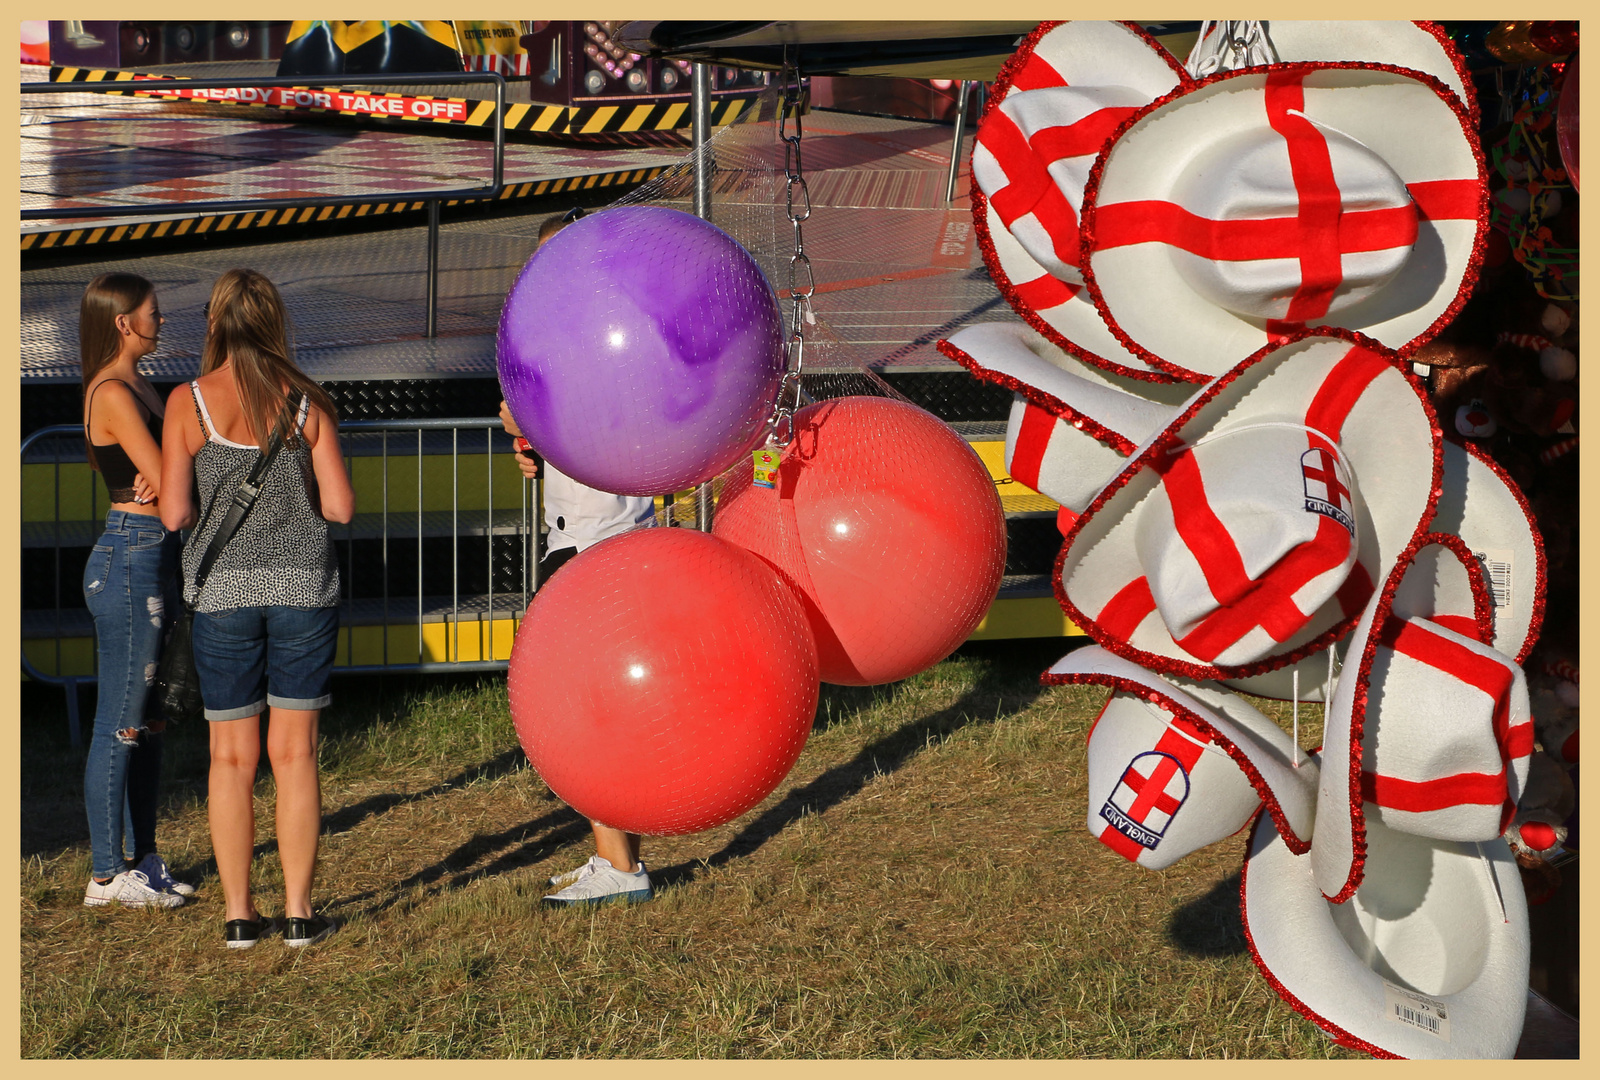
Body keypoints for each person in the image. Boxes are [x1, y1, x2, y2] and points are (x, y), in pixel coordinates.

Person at [161, 269, 355, 949]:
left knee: (230, 759)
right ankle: (300, 912)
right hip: (304, 588)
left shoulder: (189, 403)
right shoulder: (306, 404)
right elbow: (339, 508)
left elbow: (177, 511)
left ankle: (239, 913)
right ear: (276, 325)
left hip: (224, 596)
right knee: (296, 754)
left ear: (213, 323)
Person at [501, 208, 657, 907]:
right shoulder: (606, 332)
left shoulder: (581, 340)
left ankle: (618, 863)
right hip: (601, 530)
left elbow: (553, 414)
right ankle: (615, 854)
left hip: (591, 540)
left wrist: (524, 420)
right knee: (602, 706)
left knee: (582, 709)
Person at [79, 272, 195, 909]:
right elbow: (165, 476)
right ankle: (104, 873)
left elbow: (173, 473)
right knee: (118, 723)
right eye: (153, 311)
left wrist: (172, 471)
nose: (161, 318)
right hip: (130, 556)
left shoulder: (141, 383)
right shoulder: (113, 391)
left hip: (156, 554)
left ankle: (143, 856)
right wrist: (171, 471)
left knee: (148, 722)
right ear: (124, 322)